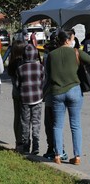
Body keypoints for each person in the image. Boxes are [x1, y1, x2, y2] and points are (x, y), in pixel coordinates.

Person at [46, 30, 90, 165]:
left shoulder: (51, 55)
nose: (73, 41)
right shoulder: (76, 52)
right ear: (67, 40)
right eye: (72, 39)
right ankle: (77, 156)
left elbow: (48, 73)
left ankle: (58, 155)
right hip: (74, 90)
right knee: (75, 125)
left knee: (57, 125)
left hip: (57, 92)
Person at [16, 44, 44, 155]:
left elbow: (18, 84)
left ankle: (26, 145)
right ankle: (36, 145)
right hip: (37, 98)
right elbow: (43, 81)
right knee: (36, 122)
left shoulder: (20, 68)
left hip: (25, 98)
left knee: (25, 122)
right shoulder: (40, 67)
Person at [7, 40, 26, 150]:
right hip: (25, 92)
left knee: (17, 117)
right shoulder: (24, 63)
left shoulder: (12, 62)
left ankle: (18, 141)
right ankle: (25, 141)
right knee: (26, 118)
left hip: (16, 92)